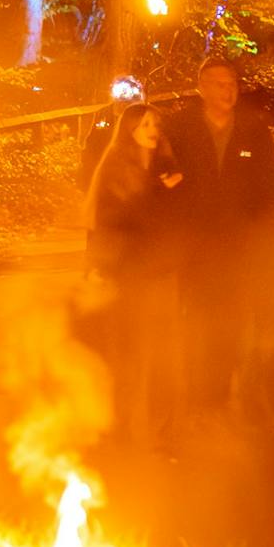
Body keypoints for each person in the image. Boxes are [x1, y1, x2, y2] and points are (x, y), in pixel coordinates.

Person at [166, 57, 274, 417]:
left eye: (233, 83)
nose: (228, 90)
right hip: (192, 242)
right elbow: (160, 170)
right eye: (220, 83)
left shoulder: (253, 129)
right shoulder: (179, 127)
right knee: (193, 316)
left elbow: (269, 184)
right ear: (201, 88)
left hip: (237, 244)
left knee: (231, 315)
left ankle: (220, 391)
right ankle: (189, 389)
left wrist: (265, 235)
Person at [85, 103, 185, 446]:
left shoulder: (167, 166)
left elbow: (178, 218)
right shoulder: (115, 169)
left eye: (156, 123)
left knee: (164, 354)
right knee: (127, 352)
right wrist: (99, 267)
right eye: (144, 125)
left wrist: (174, 188)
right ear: (129, 131)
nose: (153, 130)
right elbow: (107, 222)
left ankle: (162, 431)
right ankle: (122, 429)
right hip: (127, 274)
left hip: (162, 272)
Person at [78, 75, 145, 191]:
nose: (122, 104)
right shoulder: (103, 114)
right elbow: (92, 143)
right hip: (107, 174)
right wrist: (88, 174)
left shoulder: (143, 116)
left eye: (127, 100)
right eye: (120, 99)